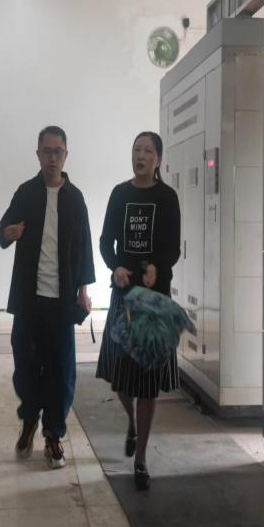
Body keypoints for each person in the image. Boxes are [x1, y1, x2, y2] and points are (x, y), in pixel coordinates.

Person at [0, 126, 95, 469]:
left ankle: (54, 434)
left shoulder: (75, 198)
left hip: (61, 301)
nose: (53, 158)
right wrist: (9, 232)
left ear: (66, 155)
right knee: (25, 364)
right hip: (29, 299)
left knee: (61, 370)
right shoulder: (26, 193)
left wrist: (84, 291)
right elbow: (3, 228)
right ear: (37, 154)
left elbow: (84, 246)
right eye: (47, 151)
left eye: (58, 152)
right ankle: (29, 418)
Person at [96, 131, 181, 490]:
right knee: (120, 379)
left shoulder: (167, 197)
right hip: (123, 297)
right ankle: (131, 421)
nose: (140, 155)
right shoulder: (120, 194)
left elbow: (173, 247)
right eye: (136, 150)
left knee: (147, 384)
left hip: (153, 302)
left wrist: (157, 267)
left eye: (147, 151)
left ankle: (141, 459)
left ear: (158, 159)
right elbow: (106, 242)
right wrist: (116, 266)